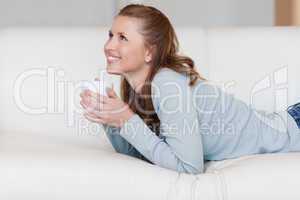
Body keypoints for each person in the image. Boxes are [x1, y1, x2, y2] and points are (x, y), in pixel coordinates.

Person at [80, 4, 300, 174]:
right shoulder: (138, 87)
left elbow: (189, 167)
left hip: (293, 129)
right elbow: (137, 152)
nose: (109, 46)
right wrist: (110, 118)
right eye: (110, 35)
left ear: (149, 52)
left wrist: (126, 119)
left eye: (122, 38)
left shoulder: (166, 83)